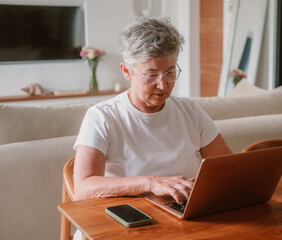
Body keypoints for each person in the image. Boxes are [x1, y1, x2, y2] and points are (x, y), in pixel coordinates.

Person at [73, 17, 233, 207]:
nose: (163, 85)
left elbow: (228, 169)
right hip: (129, 219)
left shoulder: (190, 111)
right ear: (126, 71)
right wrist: (150, 183)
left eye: (170, 72)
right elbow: (83, 189)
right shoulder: (101, 117)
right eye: (152, 75)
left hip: (184, 215)